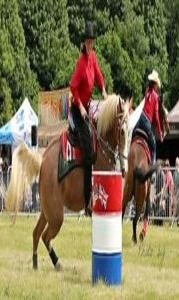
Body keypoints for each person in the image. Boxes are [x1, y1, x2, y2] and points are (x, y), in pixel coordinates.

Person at [69, 21, 107, 215]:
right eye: (88, 41)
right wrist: (81, 108)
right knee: (88, 152)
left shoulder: (93, 58)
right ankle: (87, 201)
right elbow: (73, 87)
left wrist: (104, 91)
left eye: (92, 41)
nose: (91, 44)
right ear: (84, 42)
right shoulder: (81, 62)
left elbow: (99, 75)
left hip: (89, 105)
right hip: (78, 109)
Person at [133, 70, 163, 165]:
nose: (157, 86)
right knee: (153, 146)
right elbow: (157, 116)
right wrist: (160, 132)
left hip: (140, 118)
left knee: (133, 134)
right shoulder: (155, 96)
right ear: (155, 84)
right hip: (147, 122)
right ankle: (152, 174)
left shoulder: (147, 91)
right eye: (156, 85)